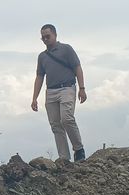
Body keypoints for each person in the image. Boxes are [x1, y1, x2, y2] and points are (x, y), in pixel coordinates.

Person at [31, 24, 87, 161]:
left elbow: (77, 67)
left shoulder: (66, 49)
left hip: (67, 88)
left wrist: (82, 88)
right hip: (51, 91)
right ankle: (64, 157)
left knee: (67, 119)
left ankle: (79, 149)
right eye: (43, 38)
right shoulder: (42, 57)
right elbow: (39, 77)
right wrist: (34, 98)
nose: (45, 39)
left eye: (47, 36)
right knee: (56, 125)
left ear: (55, 35)